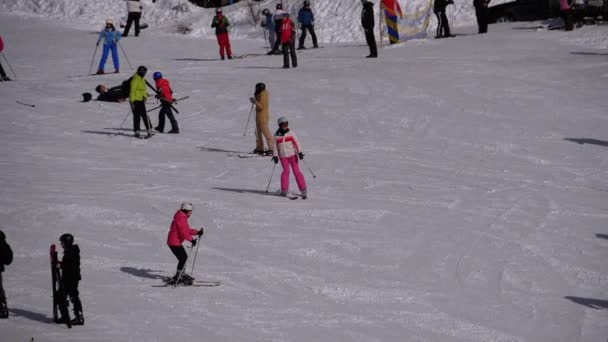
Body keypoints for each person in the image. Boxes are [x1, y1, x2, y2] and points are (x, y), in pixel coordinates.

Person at [166, 202, 204, 285]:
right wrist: (191, 240)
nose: (191, 212)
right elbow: (184, 232)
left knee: (183, 258)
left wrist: (197, 232)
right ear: (186, 210)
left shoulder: (182, 217)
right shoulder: (181, 218)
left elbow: (187, 230)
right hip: (174, 242)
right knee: (183, 258)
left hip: (175, 241)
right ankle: (178, 276)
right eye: (190, 211)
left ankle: (180, 275)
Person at [272, 117, 307, 199]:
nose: (285, 126)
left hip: (292, 156)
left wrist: (300, 152)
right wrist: (275, 156)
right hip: (283, 157)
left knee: (296, 171)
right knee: (286, 172)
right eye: (283, 125)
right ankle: (284, 190)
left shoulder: (291, 133)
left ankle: (303, 189)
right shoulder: (276, 136)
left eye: (286, 124)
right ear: (280, 125)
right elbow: (275, 147)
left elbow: (297, 143)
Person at [58, 234, 84, 326]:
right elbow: (66, 264)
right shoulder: (69, 251)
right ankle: (67, 316)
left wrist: (59, 265)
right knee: (63, 296)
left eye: (62, 242)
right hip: (69, 278)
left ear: (67, 243)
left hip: (71, 279)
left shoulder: (72, 252)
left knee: (69, 296)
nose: (61, 244)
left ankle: (78, 317)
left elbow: (69, 266)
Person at [249, 83, 273, 155]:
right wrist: (255, 99)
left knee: (266, 133)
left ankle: (271, 148)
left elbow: (261, 107)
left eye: (257, 89)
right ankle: (260, 148)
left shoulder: (263, 95)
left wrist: (255, 102)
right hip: (259, 117)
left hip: (263, 117)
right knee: (258, 133)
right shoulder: (260, 94)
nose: (256, 90)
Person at [130, 66, 153, 138]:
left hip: (141, 100)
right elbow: (132, 91)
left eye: (145, 72)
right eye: (143, 72)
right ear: (139, 72)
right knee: (137, 116)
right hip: (135, 100)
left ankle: (149, 130)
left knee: (145, 115)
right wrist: (132, 102)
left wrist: (145, 97)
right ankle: (137, 131)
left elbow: (143, 89)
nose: (144, 73)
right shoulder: (135, 79)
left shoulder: (142, 78)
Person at [0, 230, 13, 319]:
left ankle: (2, 308)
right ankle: (2, 307)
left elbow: (8, 258)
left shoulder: (1, 241)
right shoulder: (2, 241)